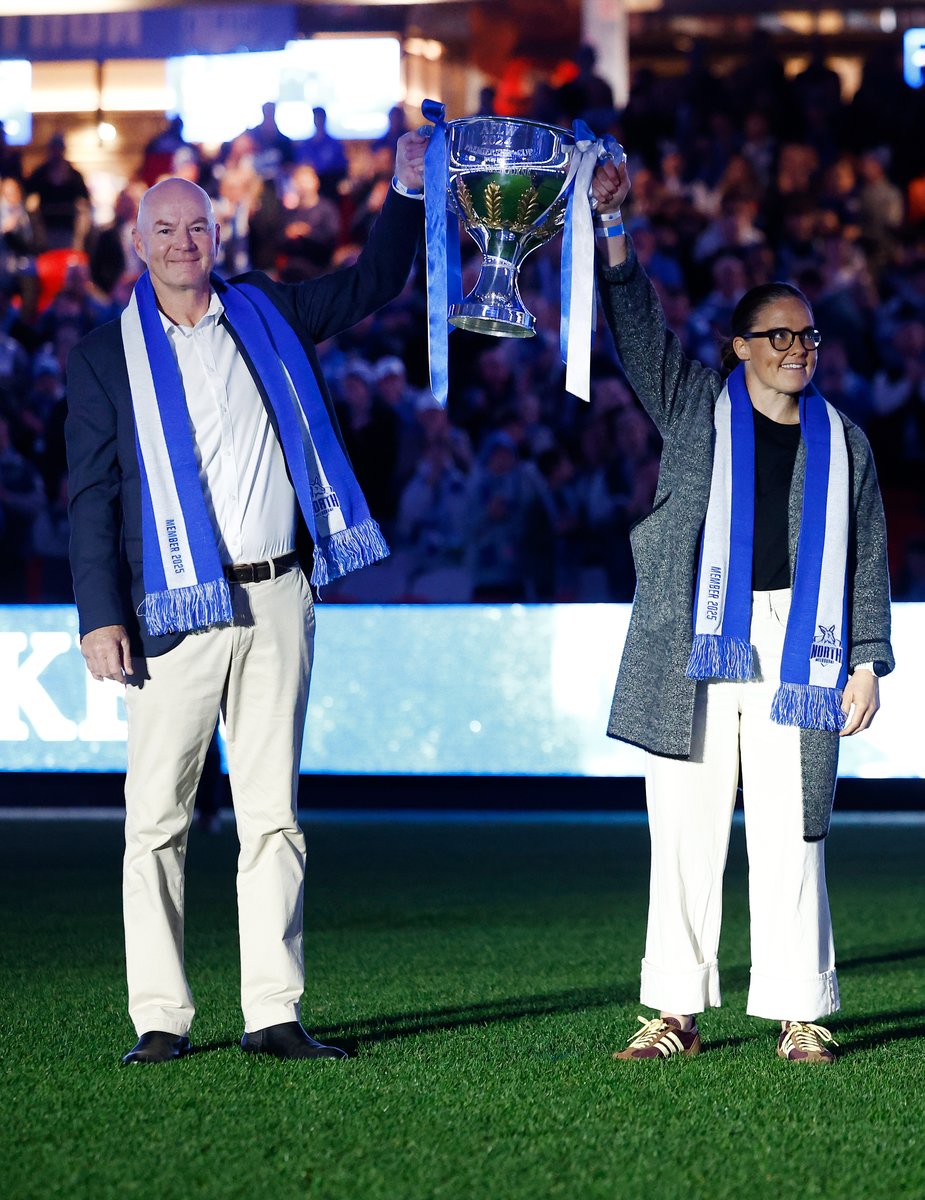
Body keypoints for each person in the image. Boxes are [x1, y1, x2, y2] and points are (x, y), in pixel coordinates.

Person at [65, 131, 427, 1066]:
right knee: (157, 821)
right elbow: (91, 496)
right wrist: (100, 613)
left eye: (198, 226)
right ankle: (160, 1019)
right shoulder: (107, 357)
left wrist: (405, 192)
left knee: (273, 817)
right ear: (139, 246)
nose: (184, 241)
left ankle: (273, 1011)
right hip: (168, 616)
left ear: (218, 236)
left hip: (277, 599)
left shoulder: (265, 310)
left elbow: (372, 282)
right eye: (166, 230)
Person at [590, 153, 893, 1063]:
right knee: (680, 829)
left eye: (806, 337)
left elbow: (868, 553)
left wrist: (869, 658)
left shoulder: (847, 444)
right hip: (693, 638)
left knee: (790, 828)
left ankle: (800, 1008)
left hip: (800, 645)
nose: (798, 349)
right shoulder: (693, 406)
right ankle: (673, 1012)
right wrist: (612, 233)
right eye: (779, 336)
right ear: (739, 347)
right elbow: (637, 327)